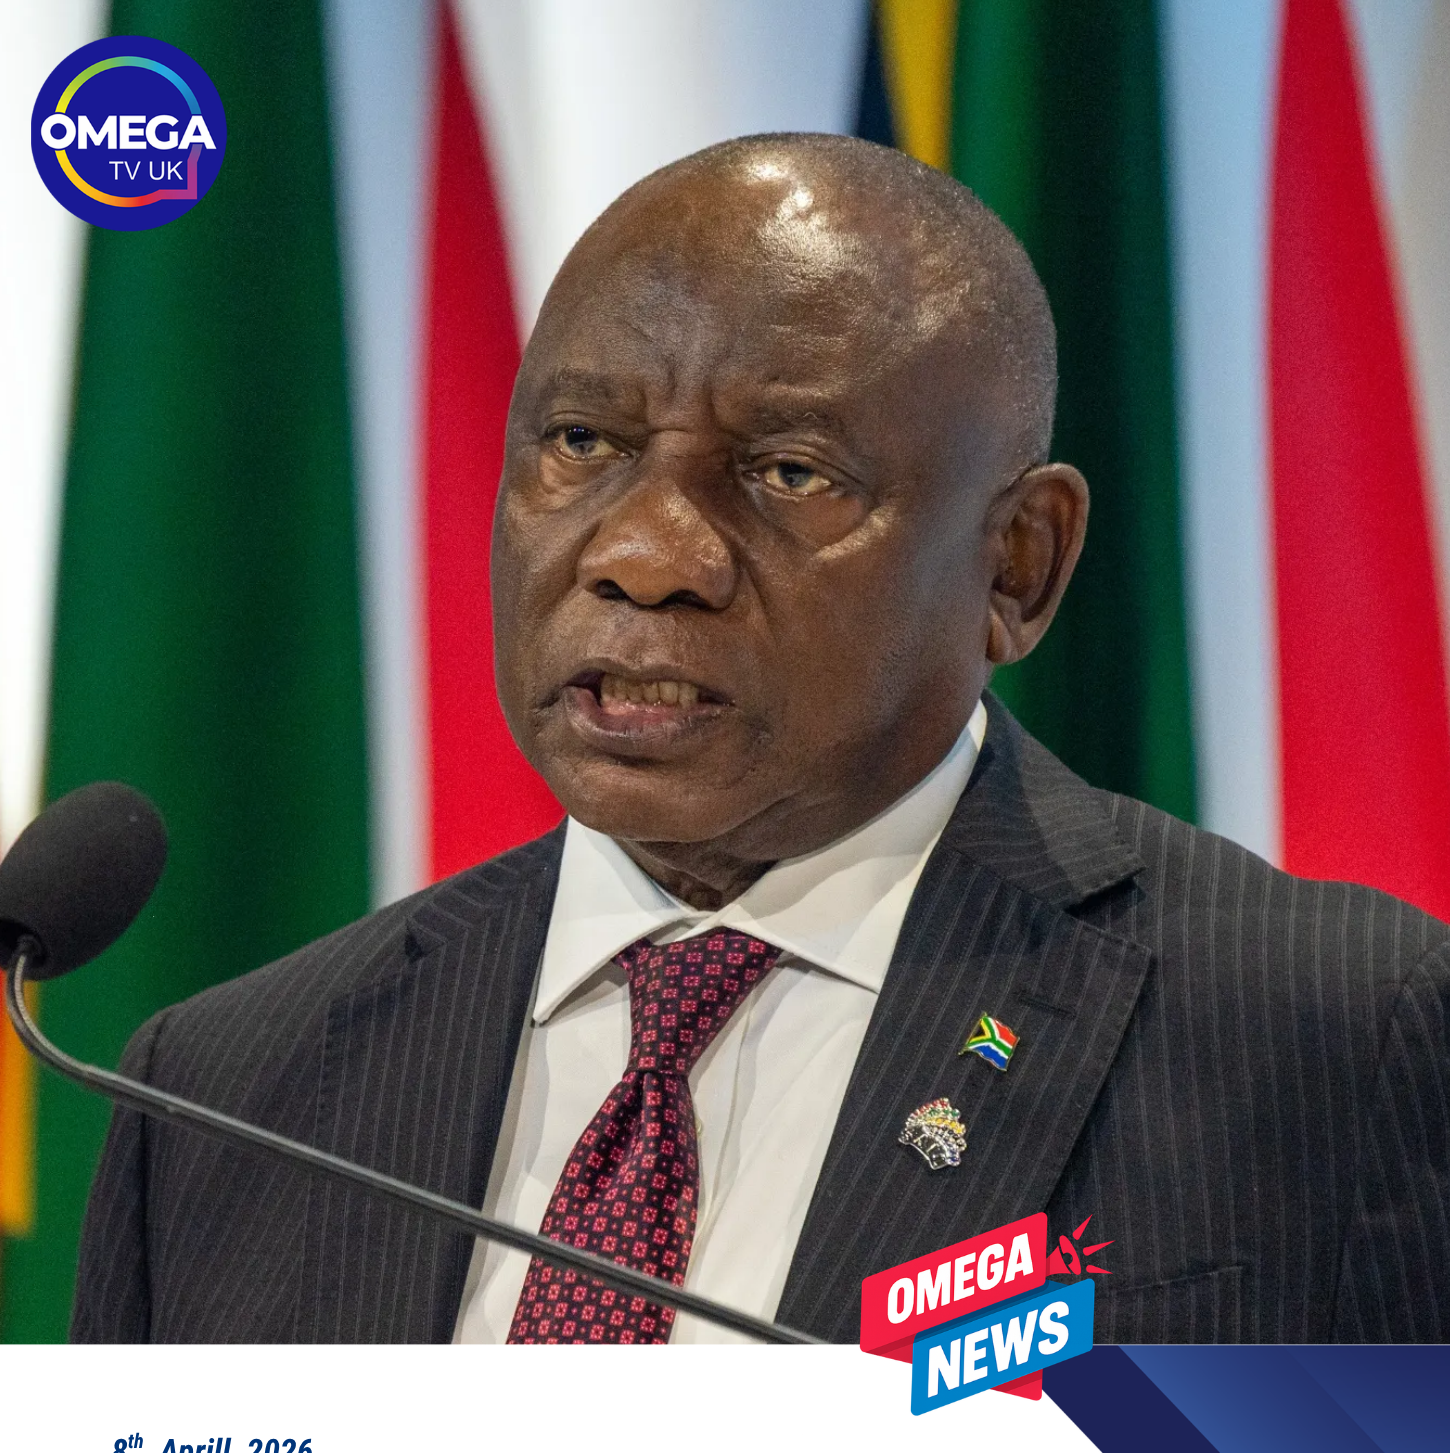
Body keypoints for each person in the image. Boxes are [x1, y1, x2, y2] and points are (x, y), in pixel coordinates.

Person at [70, 134, 1450, 1347]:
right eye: (581, 442)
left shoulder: (1332, 1039)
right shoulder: (224, 1094)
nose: (643, 553)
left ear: (1019, 564)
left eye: (791, 471)